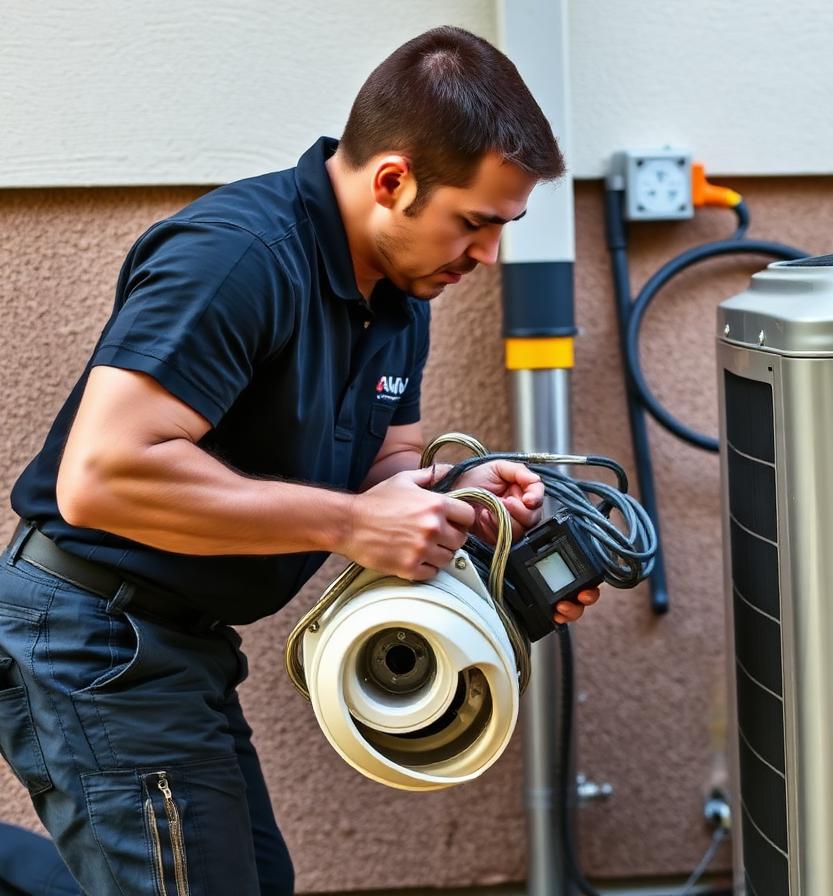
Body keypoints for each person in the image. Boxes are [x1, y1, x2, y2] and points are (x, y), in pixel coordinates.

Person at [0, 26, 597, 895]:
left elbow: (387, 459)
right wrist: (356, 525)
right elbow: (102, 477)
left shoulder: (402, 290)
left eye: (504, 228)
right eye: (474, 223)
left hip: (182, 643)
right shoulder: (237, 257)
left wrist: (455, 495)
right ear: (393, 179)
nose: (486, 256)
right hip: (94, 636)